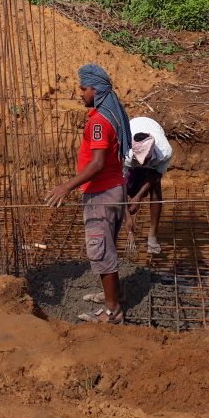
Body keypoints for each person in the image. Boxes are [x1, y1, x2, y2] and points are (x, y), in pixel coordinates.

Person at [46, 63, 131, 324]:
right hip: (113, 189)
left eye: (83, 89)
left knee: (100, 250)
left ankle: (112, 311)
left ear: (96, 89)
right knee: (107, 247)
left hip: (101, 194)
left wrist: (66, 187)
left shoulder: (99, 122)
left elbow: (97, 164)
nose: (80, 93)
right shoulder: (110, 112)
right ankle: (111, 296)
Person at [123, 116, 172, 255]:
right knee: (128, 186)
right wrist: (127, 216)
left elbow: (155, 176)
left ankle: (153, 235)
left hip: (153, 126)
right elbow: (119, 182)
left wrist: (138, 197)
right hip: (133, 127)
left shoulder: (164, 151)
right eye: (139, 160)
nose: (142, 163)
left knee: (156, 188)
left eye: (146, 159)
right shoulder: (124, 150)